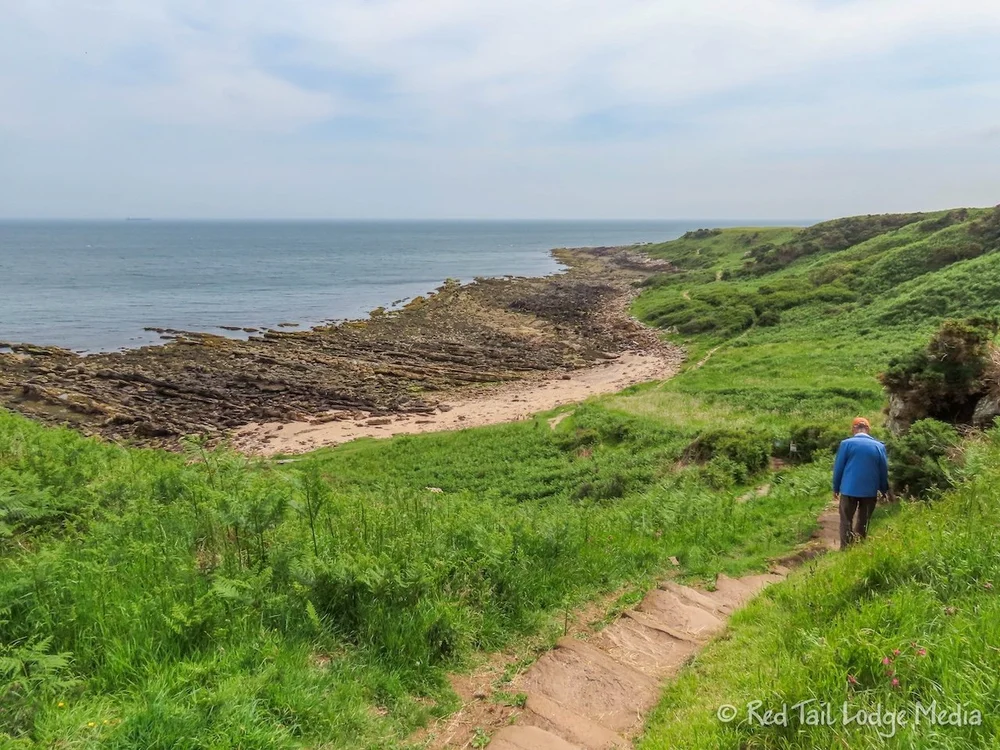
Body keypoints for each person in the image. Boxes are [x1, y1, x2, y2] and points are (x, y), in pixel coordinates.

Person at [832, 417, 889, 550]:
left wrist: (836, 487)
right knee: (864, 520)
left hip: (849, 489)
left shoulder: (846, 444)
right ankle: (859, 547)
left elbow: (839, 467)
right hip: (870, 490)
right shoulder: (879, 446)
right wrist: (883, 489)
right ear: (868, 429)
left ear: (853, 429)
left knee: (846, 520)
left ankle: (845, 549)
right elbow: (883, 470)